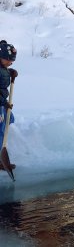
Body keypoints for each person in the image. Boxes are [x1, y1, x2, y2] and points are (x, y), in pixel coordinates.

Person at [0, 40, 18, 170]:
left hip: (2, 102)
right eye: (8, 60)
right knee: (1, 129)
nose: (10, 63)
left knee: (9, 119)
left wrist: (10, 72)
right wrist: (4, 103)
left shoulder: (3, 68)